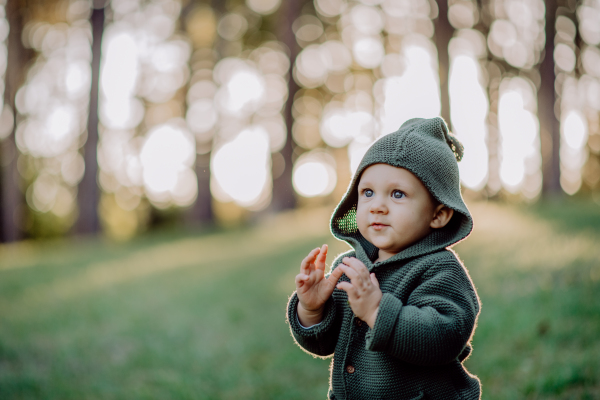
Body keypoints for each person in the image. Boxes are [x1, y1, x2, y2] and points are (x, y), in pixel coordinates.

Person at [286, 117, 481, 400]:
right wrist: (312, 310)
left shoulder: (440, 269)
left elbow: (446, 337)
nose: (377, 206)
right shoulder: (351, 266)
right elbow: (324, 345)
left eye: (397, 194)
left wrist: (377, 311)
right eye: (367, 192)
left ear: (438, 214)